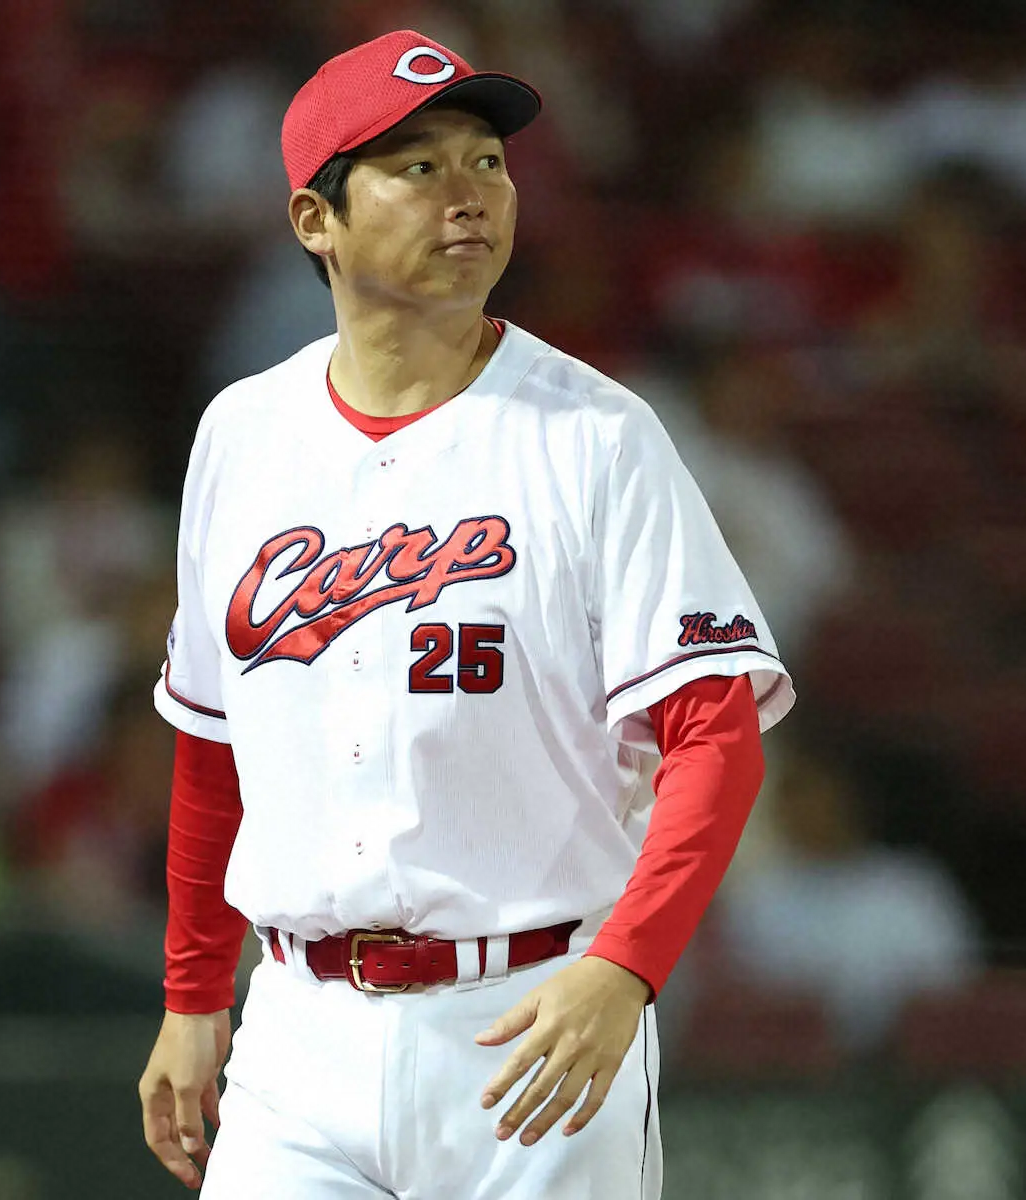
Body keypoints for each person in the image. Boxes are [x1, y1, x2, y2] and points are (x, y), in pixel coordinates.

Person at [137, 29, 794, 1200]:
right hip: (295, 1032)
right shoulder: (242, 434)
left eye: (486, 161)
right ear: (315, 220)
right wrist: (193, 996)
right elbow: (211, 740)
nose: (470, 193)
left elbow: (713, 736)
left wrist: (625, 968)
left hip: (531, 1018)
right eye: (419, 166)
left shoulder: (596, 436)